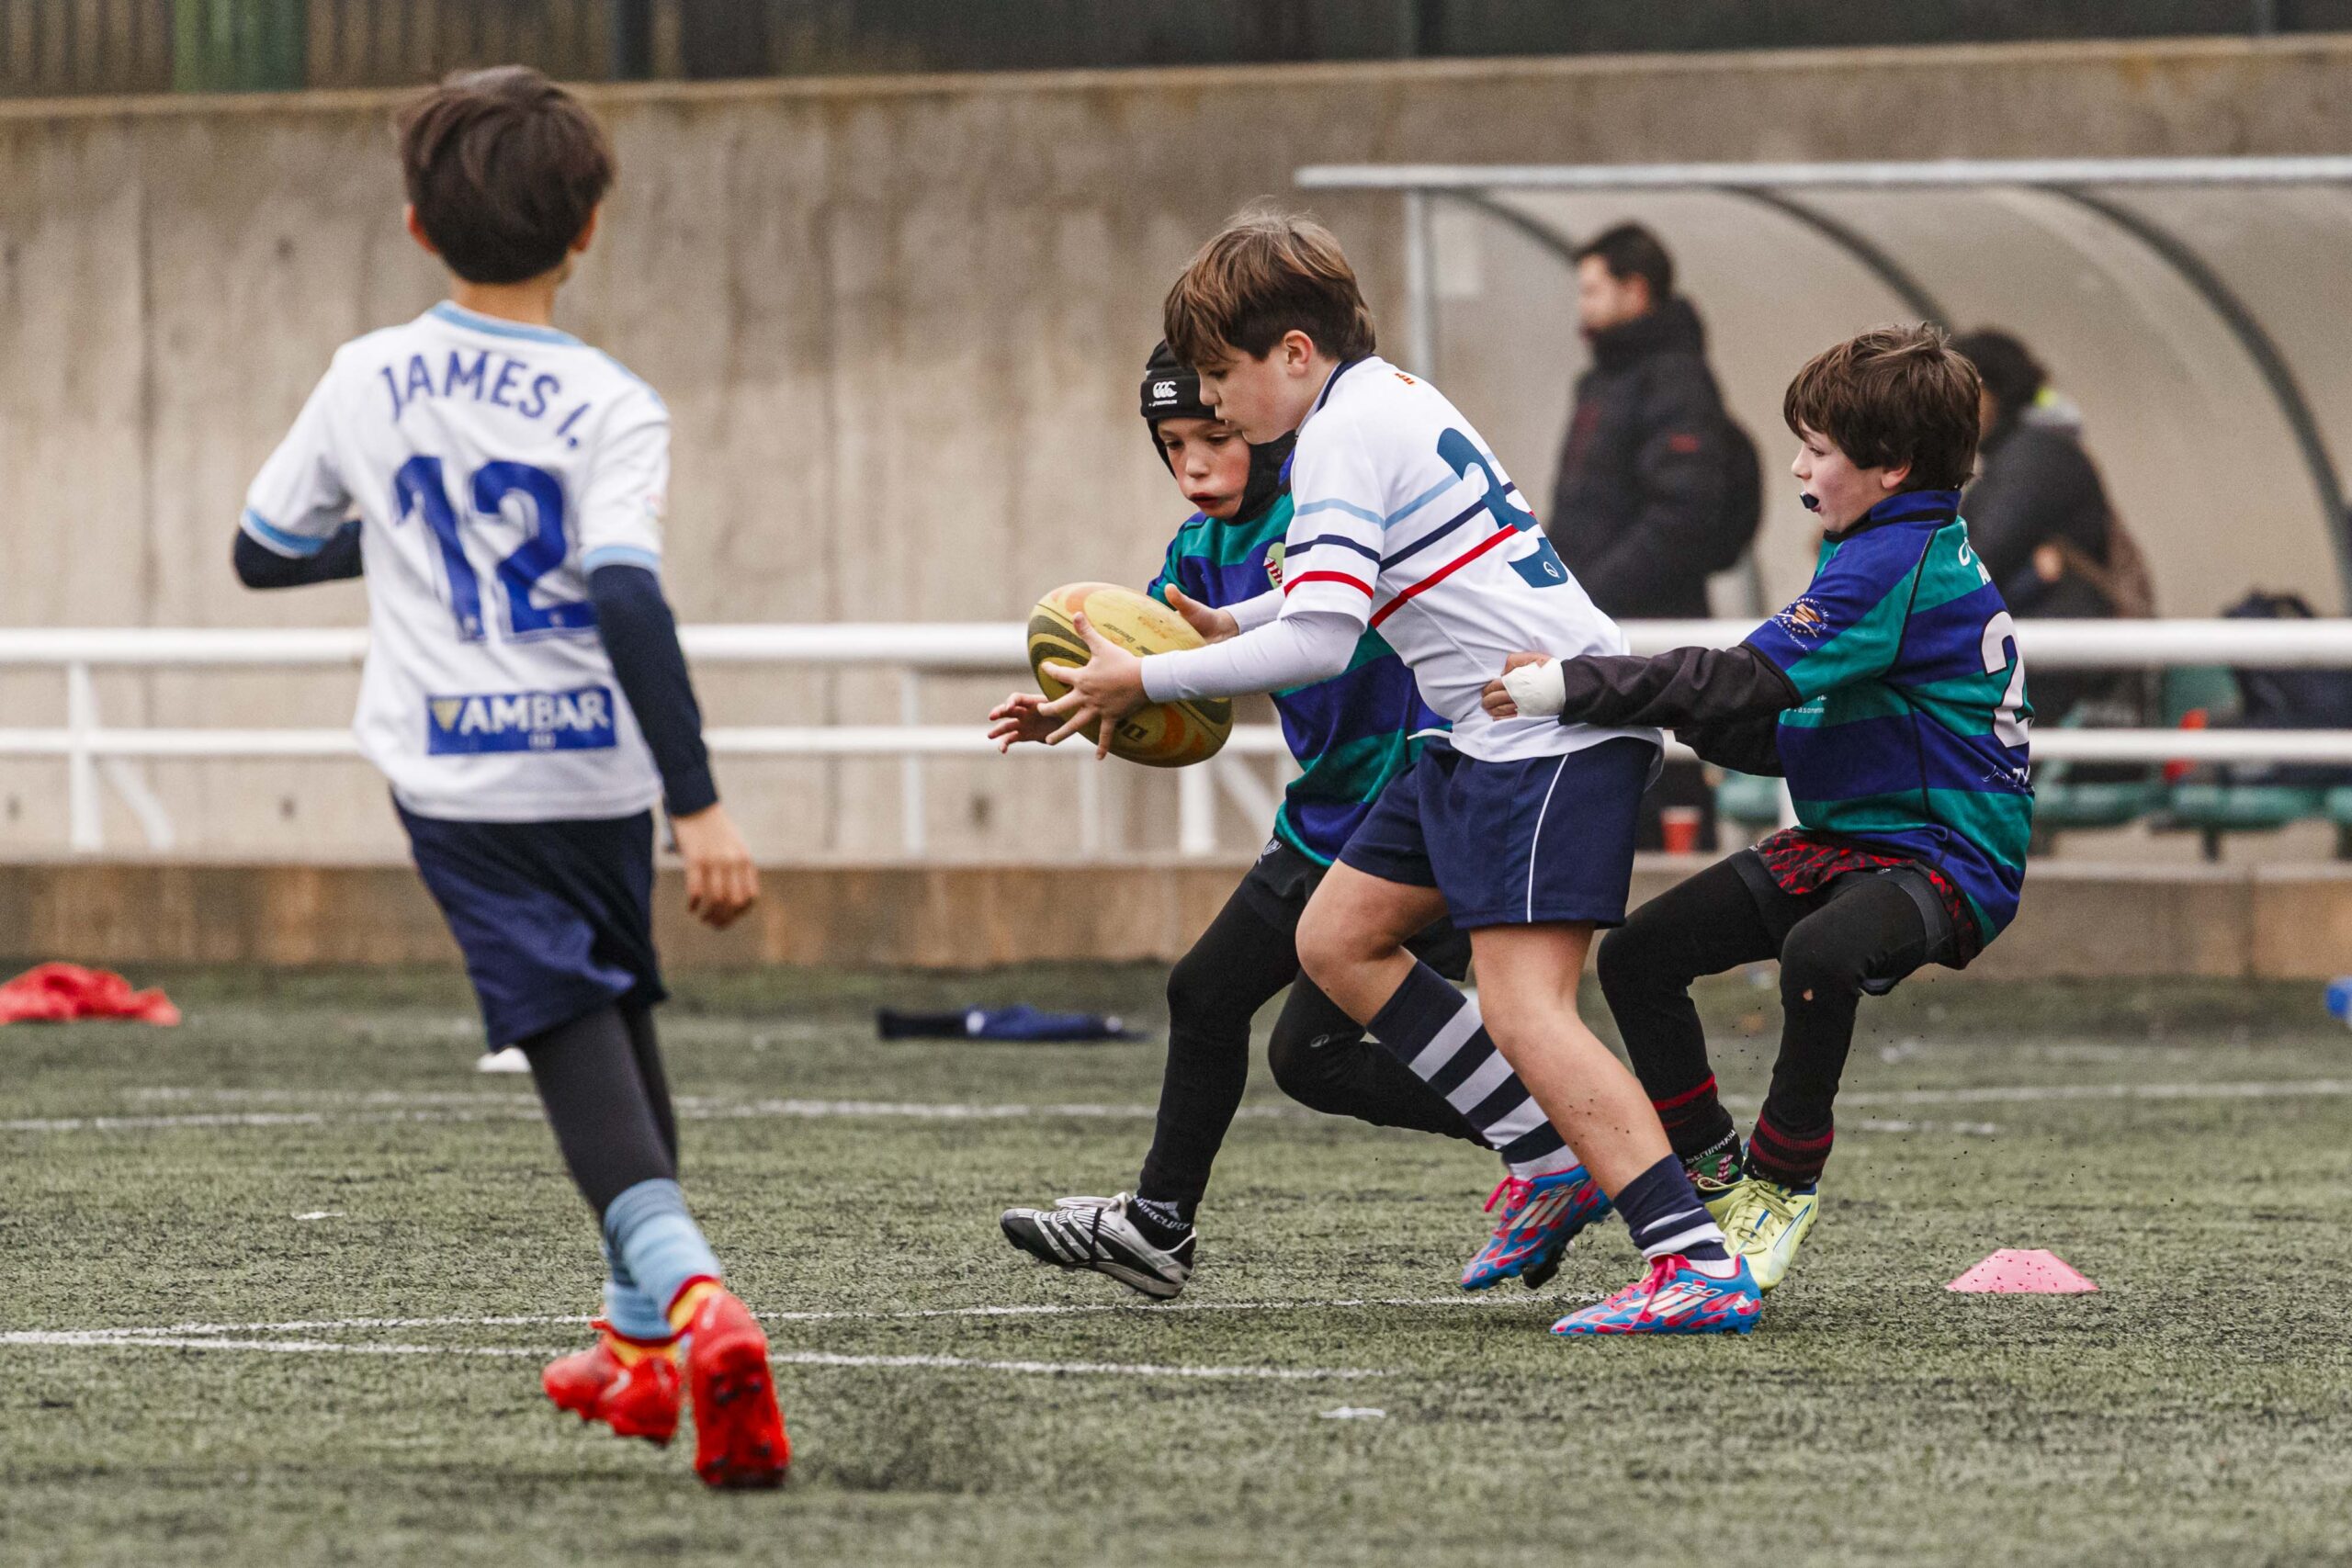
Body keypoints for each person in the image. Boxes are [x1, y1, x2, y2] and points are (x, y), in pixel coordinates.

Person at [1031, 211, 1758, 1338]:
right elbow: (1348, 588)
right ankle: (1543, 1152)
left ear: (1293, 353)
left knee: (1526, 1008)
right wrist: (1229, 619)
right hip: (1482, 732)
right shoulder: (1384, 401)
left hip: (1544, 728)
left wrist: (1157, 682)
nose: (1213, 406)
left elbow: (1324, 640)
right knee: (1336, 939)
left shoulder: (1335, 435)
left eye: (1222, 377)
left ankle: (1689, 1253)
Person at [232, 66, 786, 1488]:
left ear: (417, 224)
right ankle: (637, 1349)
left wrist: (399, 546)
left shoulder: (364, 375)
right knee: (608, 1009)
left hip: (459, 783)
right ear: (589, 224)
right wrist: (696, 795)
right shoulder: (615, 400)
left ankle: (697, 1300)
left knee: (562, 1029)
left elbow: (261, 546)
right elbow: (626, 596)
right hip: (596, 772)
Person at [989, 344, 1608, 1300]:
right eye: (1172, 444)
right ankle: (1159, 1226)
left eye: (1215, 435)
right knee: (1219, 1003)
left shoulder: (1325, 505)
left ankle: (1585, 1141)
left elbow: (1323, 635)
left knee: (1307, 1048)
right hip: (1325, 819)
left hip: (1421, 806)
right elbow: (1178, 690)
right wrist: (1084, 703)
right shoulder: (1194, 555)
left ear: (1265, 421)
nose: (1194, 462)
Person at [1484, 324, 2033, 1293]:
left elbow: (1738, 681)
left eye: (1818, 448)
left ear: (1891, 467)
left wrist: (1578, 687)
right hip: (1850, 840)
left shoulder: (1891, 563)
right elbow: (1768, 718)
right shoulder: (1882, 547)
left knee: (1822, 951)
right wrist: (1665, 718)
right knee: (1640, 956)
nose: (1797, 465)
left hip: (1948, 860)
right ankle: (1711, 1174)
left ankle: (1780, 1186)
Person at [1547, 222, 1759, 852]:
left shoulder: (1675, 380)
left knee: (1666, 797)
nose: (1581, 309)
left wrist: (1587, 595)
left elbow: (1682, 519)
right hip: (1597, 628)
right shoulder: (1603, 381)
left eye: (1592, 291)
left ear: (1635, 291)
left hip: (1649, 631)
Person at [1951, 328, 2138, 725]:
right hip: (2040, 662)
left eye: (1963, 393)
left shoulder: (2035, 458)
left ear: (1995, 391)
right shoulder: (2022, 456)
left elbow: (1974, 557)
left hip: (2053, 671)